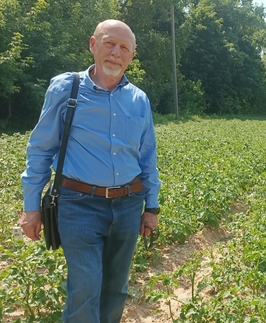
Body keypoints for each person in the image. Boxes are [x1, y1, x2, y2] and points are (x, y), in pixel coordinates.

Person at [19, 19, 161, 323]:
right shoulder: (65, 88)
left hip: (128, 204)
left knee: (116, 287)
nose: (116, 52)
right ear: (93, 45)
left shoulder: (138, 100)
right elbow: (41, 148)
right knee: (85, 287)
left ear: (132, 56)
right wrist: (31, 208)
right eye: (109, 43)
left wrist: (152, 206)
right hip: (78, 204)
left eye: (124, 48)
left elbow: (148, 157)